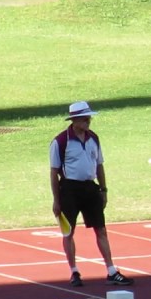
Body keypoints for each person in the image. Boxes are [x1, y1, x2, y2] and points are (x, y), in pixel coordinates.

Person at [50, 101, 135, 287]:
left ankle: (111, 270)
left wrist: (103, 190)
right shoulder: (60, 141)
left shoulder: (93, 138)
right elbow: (54, 172)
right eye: (85, 118)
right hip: (69, 190)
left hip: (90, 188)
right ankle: (74, 272)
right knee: (68, 232)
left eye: (89, 117)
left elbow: (99, 165)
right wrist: (56, 200)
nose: (89, 121)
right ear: (74, 120)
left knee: (101, 229)